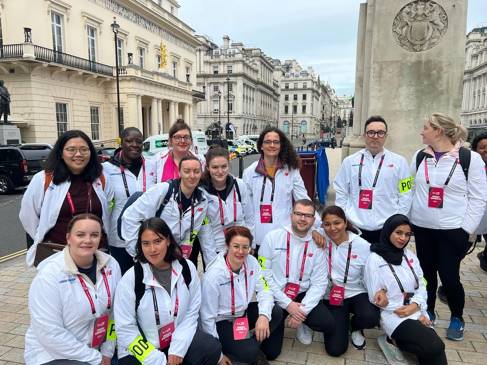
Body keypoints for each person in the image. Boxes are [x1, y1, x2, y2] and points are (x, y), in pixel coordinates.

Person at [409, 113, 487, 341]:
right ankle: (428, 310)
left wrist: (466, 229)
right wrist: (405, 214)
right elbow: (406, 186)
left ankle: (457, 317)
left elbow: (479, 198)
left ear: (438, 131)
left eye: (425, 128)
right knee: (426, 275)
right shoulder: (418, 157)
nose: (421, 132)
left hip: (454, 231)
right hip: (423, 228)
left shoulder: (469, 159)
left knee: (450, 276)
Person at [114, 217, 221, 365]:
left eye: (158, 241)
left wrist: (178, 348)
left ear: (168, 241)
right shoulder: (131, 278)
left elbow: (192, 312)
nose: (152, 249)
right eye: (146, 243)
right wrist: (157, 360)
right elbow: (125, 329)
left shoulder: (187, 268)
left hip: (175, 340)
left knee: (210, 347)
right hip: (144, 348)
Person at [24, 213, 122, 365]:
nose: (88, 240)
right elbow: (50, 333)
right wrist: (96, 359)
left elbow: (115, 315)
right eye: (80, 235)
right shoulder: (49, 276)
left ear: (100, 238)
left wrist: (107, 352)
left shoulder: (112, 265)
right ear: (69, 238)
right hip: (53, 354)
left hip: (97, 349)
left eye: (94, 235)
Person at [20, 130, 113, 267]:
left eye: (84, 149)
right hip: (57, 255)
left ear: (91, 153)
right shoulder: (43, 179)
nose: (78, 154)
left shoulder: (102, 178)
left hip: (95, 254)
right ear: (61, 153)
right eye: (71, 149)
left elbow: (108, 213)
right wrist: (44, 237)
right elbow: (28, 216)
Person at [365, 214, 447, 365]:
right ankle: (391, 338)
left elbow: (422, 284)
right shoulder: (375, 259)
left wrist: (417, 308)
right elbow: (374, 297)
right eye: (398, 232)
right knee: (435, 346)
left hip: (413, 309)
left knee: (432, 353)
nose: (403, 238)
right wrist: (396, 306)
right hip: (393, 314)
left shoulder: (409, 256)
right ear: (388, 231)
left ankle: (395, 342)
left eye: (407, 234)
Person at [200, 226, 283, 365]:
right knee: (249, 353)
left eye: (245, 247)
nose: (240, 252)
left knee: (275, 312)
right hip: (222, 321)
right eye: (236, 246)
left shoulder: (252, 262)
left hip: (241, 314)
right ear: (227, 246)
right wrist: (217, 354)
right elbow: (207, 317)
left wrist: (263, 316)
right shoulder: (213, 275)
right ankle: (246, 350)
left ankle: (246, 347)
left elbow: (265, 290)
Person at [258, 199, 334, 347]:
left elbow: (320, 283)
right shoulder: (272, 238)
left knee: (327, 323)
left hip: (302, 294)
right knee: (271, 352)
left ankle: (302, 323)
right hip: (275, 293)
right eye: (299, 214)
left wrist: (302, 312)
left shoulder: (318, 244)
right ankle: (280, 318)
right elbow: (262, 276)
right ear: (291, 215)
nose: (303, 219)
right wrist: (287, 304)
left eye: (308, 215)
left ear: (313, 219)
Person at [334, 116, 413, 244]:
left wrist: (398, 221)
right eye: (371, 132)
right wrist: (344, 218)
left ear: (386, 136)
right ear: (365, 135)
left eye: (380, 133)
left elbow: (406, 193)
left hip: (387, 228)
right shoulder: (349, 162)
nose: (375, 136)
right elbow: (341, 191)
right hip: (356, 227)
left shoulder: (400, 162)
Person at [242, 127, 322, 252]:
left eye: (276, 142)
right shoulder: (249, 172)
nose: (272, 145)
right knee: (262, 270)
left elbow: (303, 199)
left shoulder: (291, 170)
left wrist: (316, 227)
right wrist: (248, 238)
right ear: (261, 146)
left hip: (284, 235)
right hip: (258, 237)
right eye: (268, 142)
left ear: (281, 146)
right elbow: (247, 210)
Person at [120, 156, 208, 264]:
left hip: (173, 256)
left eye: (196, 171)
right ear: (179, 172)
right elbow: (130, 217)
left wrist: (182, 257)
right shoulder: (162, 191)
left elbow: (191, 232)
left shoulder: (202, 201)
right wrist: (139, 255)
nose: (192, 176)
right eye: (187, 171)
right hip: (151, 254)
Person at [321, 205, 379, 356]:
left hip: (356, 291)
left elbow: (375, 274)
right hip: (332, 294)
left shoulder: (363, 246)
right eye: (327, 224)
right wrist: (314, 232)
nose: (332, 228)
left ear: (346, 222)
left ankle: (355, 326)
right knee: (335, 350)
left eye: (337, 223)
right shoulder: (321, 240)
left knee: (371, 317)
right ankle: (342, 322)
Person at [103, 127, 157, 274]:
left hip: (147, 235)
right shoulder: (106, 169)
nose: (134, 144)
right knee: (122, 281)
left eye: (138, 141)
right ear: (121, 143)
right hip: (119, 237)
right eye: (129, 141)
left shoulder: (152, 165)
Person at [155, 120, 206, 266]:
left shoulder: (200, 160)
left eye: (186, 137)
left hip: (191, 222)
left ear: (191, 140)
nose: (182, 140)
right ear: (170, 140)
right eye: (177, 137)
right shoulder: (158, 160)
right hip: (164, 224)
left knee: (189, 264)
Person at [199, 146, 253, 264]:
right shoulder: (201, 193)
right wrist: (212, 261)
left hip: (240, 247)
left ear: (229, 165)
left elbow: (249, 218)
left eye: (224, 166)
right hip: (217, 250)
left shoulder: (239, 185)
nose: (220, 171)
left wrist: (248, 245)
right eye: (215, 167)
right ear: (207, 168)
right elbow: (205, 232)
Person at [472, 132, 487, 272]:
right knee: (458, 252)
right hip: (473, 217)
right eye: (482, 147)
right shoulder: (470, 167)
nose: (486, 151)